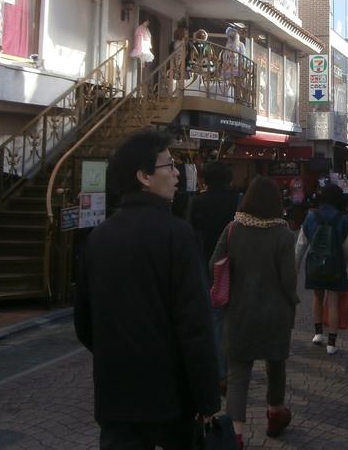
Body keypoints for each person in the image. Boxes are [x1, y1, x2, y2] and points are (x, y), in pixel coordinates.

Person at [74, 129, 220, 450]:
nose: (177, 173)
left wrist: (118, 353)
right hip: (169, 399)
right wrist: (208, 398)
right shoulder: (176, 235)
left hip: (115, 395)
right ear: (143, 176)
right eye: (168, 166)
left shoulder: (98, 237)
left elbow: (84, 323)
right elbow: (195, 326)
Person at [210, 177, 297, 446]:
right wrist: (292, 302)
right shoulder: (283, 234)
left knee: (238, 375)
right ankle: (274, 414)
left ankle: (236, 433)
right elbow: (289, 280)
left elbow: (214, 264)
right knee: (276, 366)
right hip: (275, 313)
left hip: (239, 311)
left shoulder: (233, 229)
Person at [188, 161, 240, 391]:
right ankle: (238, 366)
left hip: (208, 265)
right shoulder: (237, 200)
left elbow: (192, 236)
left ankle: (221, 373)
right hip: (237, 264)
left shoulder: (197, 201)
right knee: (236, 315)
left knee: (216, 318)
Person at [295, 183, 348, 355]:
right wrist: (343, 264)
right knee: (333, 302)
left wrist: (294, 268)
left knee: (317, 297)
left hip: (315, 264)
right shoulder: (344, 219)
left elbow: (301, 245)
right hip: (335, 266)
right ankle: (332, 344)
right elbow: (347, 249)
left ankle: (318, 334)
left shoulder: (312, 217)